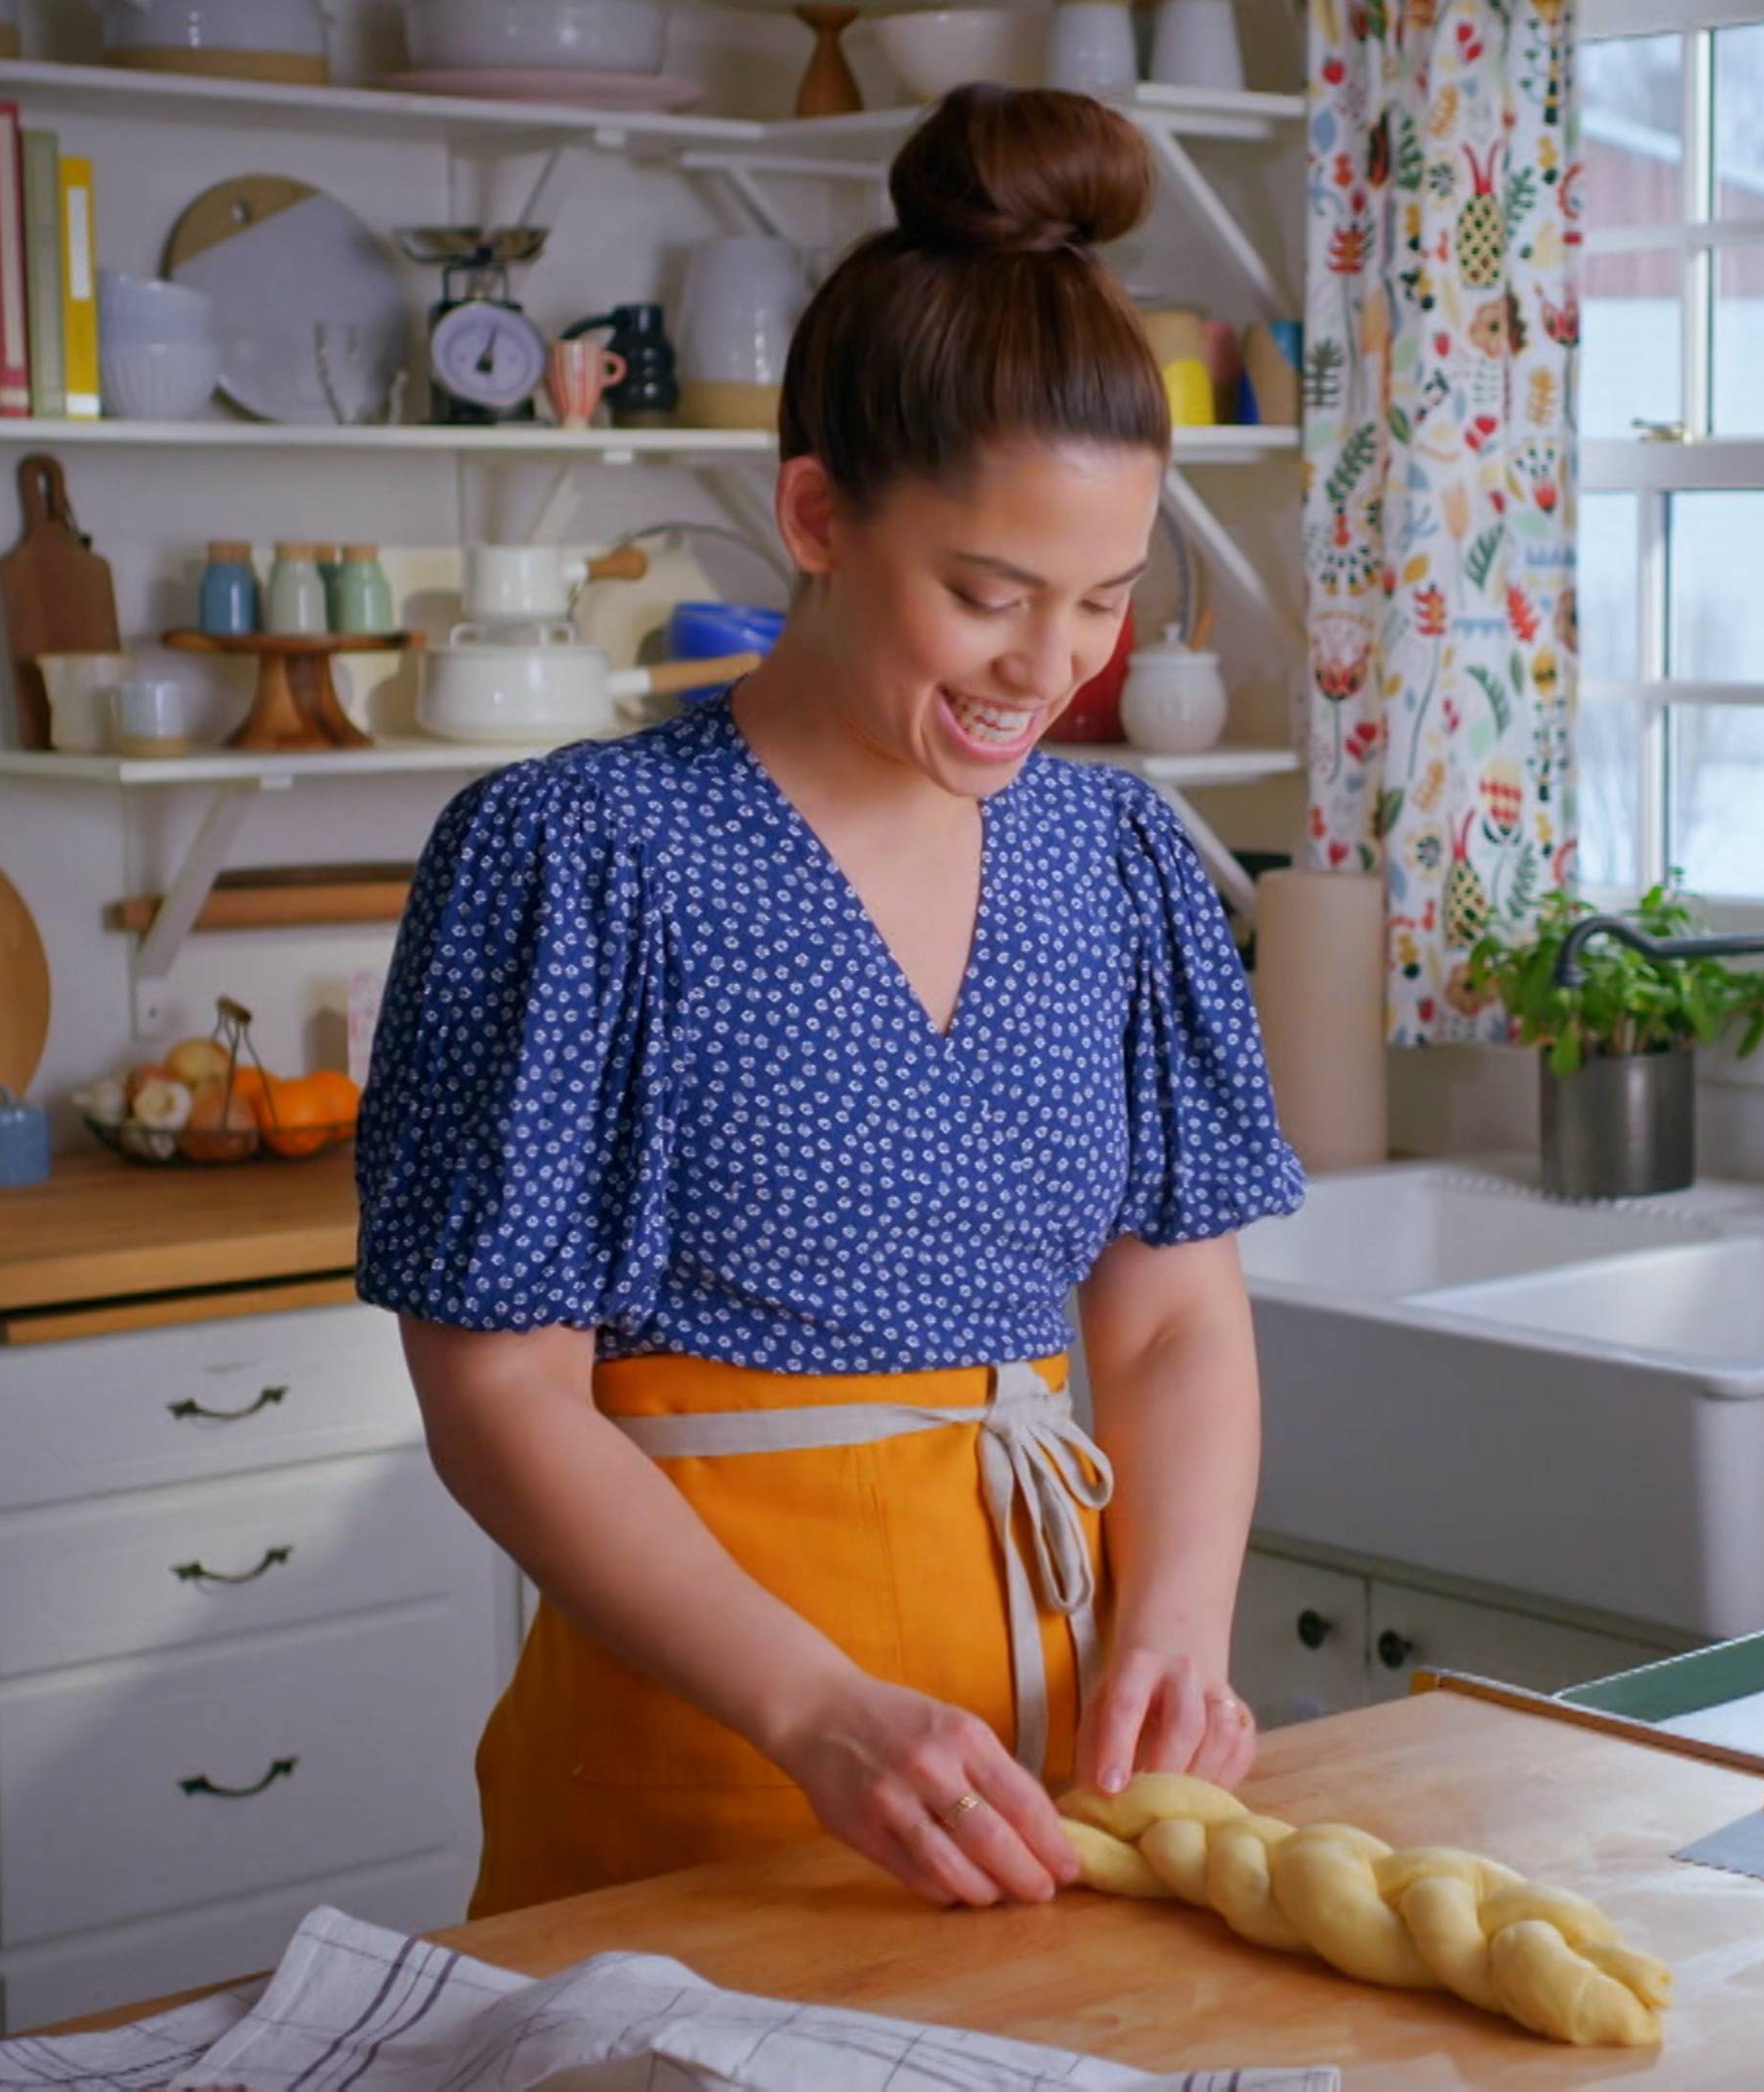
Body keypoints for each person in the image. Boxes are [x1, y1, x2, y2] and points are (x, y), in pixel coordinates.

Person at [356, 84, 1304, 1922]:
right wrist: (818, 1710)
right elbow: (497, 1391)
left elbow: (1176, 1317)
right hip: (708, 1754)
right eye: (987, 592)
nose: (1051, 668)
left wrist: (1176, 1632)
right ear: (812, 513)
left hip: (1052, 1760)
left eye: (1105, 602)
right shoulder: (583, 855)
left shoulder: (1112, 861)